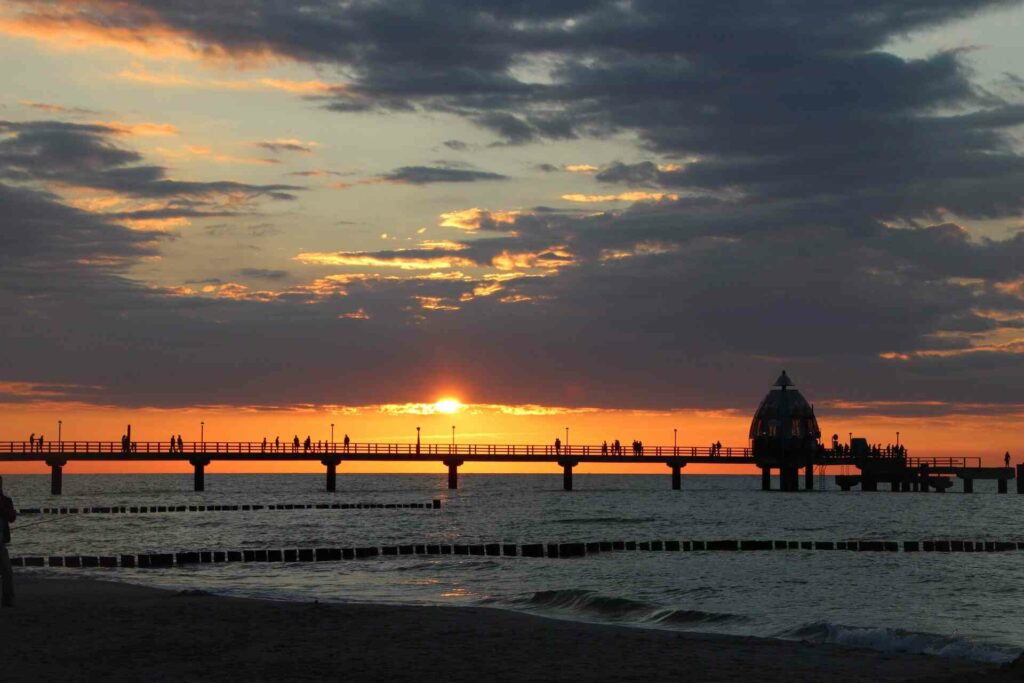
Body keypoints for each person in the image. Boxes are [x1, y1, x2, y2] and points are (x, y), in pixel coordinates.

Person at [1, 476, 16, 607]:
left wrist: (3, 509)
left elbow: (12, 517)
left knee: (7, 571)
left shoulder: (6, 501)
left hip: (1, 543)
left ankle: (7, 598)